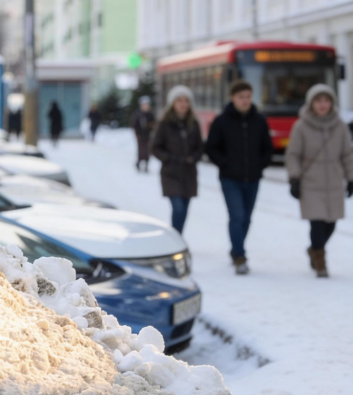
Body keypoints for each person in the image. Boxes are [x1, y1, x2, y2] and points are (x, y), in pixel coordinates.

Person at [205, 80, 273, 275]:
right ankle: (240, 255)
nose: (245, 101)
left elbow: (267, 147)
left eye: (248, 97)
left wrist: (261, 163)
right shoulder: (222, 121)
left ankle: (236, 248)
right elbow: (211, 147)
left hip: (253, 177)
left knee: (247, 218)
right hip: (230, 178)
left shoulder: (259, 120)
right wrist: (224, 163)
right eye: (241, 97)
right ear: (232, 98)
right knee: (237, 215)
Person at [285, 84, 353, 278]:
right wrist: (294, 178)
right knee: (316, 223)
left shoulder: (339, 126)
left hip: (333, 182)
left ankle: (314, 249)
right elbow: (293, 155)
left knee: (331, 224)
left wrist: (351, 178)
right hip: (310, 182)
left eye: (326, 100)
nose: (323, 105)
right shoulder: (301, 126)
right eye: (318, 101)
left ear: (332, 103)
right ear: (311, 103)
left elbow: (347, 154)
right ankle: (321, 262)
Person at [151, 86, 204, 234]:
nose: (183, 104)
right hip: (171, 174)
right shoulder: (165, 123)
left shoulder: (194, 123)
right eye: (179, 100)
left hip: (189, 174)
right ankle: (176, 238)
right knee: (178, 208)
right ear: (172, 103)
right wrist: (169, 158)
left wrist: (193, 158)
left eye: (186, 100)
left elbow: (200, 147)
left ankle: (177, 237)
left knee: (185, 209)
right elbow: (155, 147)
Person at [130, 96, 156, 172]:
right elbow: (133, 123)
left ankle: (146, 164)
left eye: (147, 105)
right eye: (144, 105)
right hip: (140, 135)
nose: (145, 106)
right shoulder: (137, 114)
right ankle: (139, 162)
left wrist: (151, 126)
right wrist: (137, 132)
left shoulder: (150, 114)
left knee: (148, 150)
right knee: (141, 150)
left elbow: (154, 124)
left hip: (148, 135)